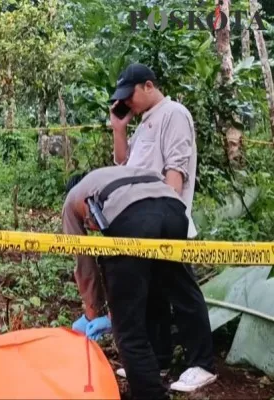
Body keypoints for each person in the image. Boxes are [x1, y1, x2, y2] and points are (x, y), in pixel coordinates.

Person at [73, 63, 199, 378]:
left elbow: (177, 169)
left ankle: (200, 362)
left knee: (181, 291)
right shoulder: (144, 122)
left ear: (147, 85)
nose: (126, 102)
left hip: (165, 216)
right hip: (142, 220)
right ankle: (157, 360)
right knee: (151, 293)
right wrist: (119, 128)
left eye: (129, 95)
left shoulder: (174, 114)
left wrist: (170, 213)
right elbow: (123, 167)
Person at [62, 166, 216, 398]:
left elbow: (84, 263)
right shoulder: (115, 174)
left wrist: (93, 311)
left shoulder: (73, 199)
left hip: (133, 218)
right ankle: (183, 360)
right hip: (174, 210)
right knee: (178, 287)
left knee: (128, 324)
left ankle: (150, 393)